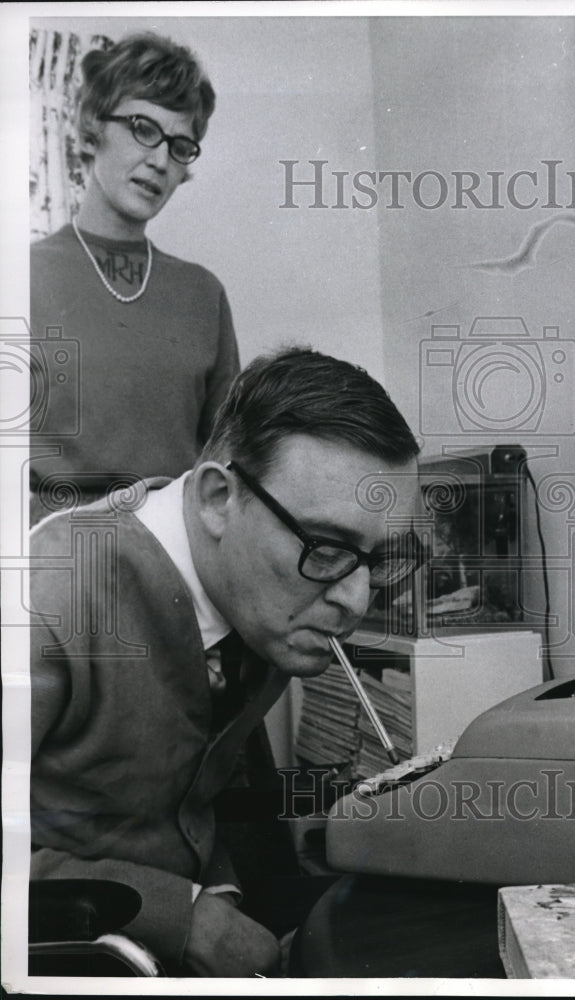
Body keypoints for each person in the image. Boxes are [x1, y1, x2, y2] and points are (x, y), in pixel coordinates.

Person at [29, 347, 422, 977]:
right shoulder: (46, 596)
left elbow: (187, 796)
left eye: (378, 559)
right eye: (327, 547)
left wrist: (221, 896)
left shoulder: (256, 601)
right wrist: (182, 914)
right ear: (217, 498)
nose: (355, 599)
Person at [30, 32, 239, 525]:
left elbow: (227, 465)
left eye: (180, 144)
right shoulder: (22, 276)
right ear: (91, 128)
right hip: (54, 560)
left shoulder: (202, 295)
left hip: (176, 565)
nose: (161, 160)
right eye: (143, 128)